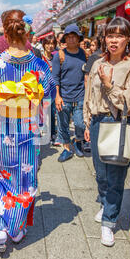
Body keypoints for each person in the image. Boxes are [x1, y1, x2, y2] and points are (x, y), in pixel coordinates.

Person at [0, 9, 51, 254]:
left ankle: (0, 227)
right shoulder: (39, 65)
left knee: (1, 177)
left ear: (5, 35)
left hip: (2, 132)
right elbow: (47, 95)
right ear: (26, 33)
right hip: (28, 132)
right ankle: (16, 228)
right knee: (25, 180)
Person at [83, 17, 130, 247]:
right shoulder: (98, 62)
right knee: (100, 173)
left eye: (119, 35)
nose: (113, 40)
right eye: (110, 35)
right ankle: (106, 204)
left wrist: (109, 84)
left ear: (128, 39)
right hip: (99, 121)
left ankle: (109, 221)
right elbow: (89, 94)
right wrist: (88, 122)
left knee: (116, 176)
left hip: (119, 122)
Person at [52, 24, 87, 162]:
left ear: (78, 38)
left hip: (80, 95)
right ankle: (67, 148)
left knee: (80, 123)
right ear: (65, 39)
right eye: (69, 37)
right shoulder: (59, 55)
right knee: (63, 124)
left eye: (74, 37)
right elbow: (55, 77)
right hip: (64, 96)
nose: (72, 39)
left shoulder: (84, 54)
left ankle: (78, 142)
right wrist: (57, 96)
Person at [41, 34, 59, 146]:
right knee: (42, 112)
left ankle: (52, 133)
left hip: (53, 90)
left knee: (52, 113)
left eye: (52, 44)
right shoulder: (40, 58)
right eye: (48, 43)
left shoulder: (56, 58)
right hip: (42, 90)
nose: (50, 46)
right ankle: (42, 132)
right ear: (44, 45)